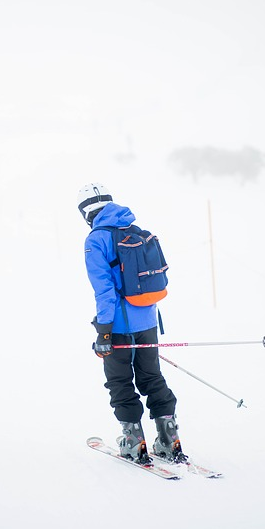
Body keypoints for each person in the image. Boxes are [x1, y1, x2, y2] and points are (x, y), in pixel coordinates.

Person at [77, 182, 186, 464]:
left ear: (86, 212)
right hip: (148, 319)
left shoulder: (96, 240)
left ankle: (133, 441)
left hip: (118, 326)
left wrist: (104, 331)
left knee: (120, 381)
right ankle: (168, 439)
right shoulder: (135, 231)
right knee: (152, 377)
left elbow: (104, 290)